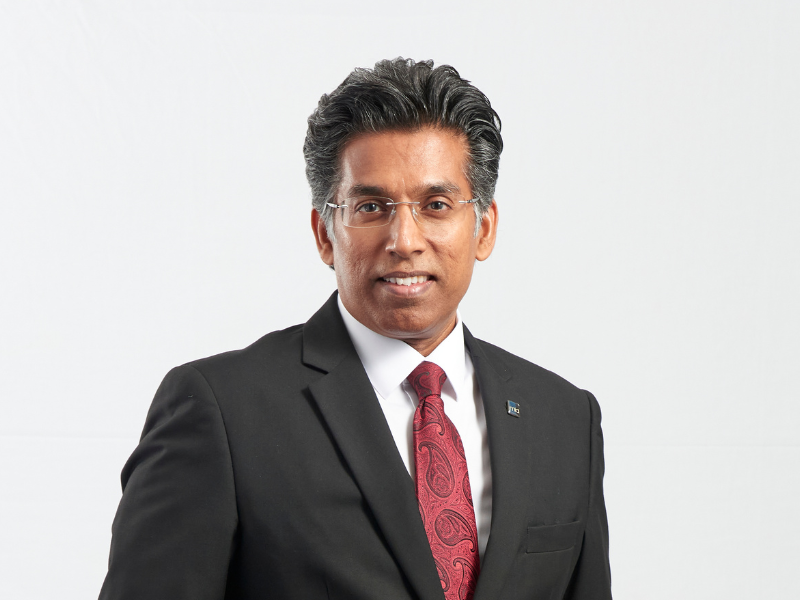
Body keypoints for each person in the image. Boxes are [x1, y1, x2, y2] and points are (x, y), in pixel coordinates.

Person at [99, 58, 611, 600]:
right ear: (325, 234)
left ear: (483, 229)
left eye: (436, 205)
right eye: (371, 206)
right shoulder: (222, 412)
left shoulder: (565, 419)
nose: (404, 240)